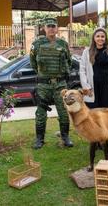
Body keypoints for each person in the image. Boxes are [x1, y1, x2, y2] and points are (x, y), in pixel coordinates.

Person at [30, 17, 73, 149]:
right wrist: (44, 76)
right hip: (43, 85)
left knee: (64, 112)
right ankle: (39, 139)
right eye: (49, 26)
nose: (51, 29)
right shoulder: (37, 44)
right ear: (44, 28)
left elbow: (69, 62)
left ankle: (65, 136)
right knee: (41, 113)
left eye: (53, 26)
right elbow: (33, 63)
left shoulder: (63, 44)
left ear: (57, 28)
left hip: (60, 85)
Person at [79, 28, 108, 109]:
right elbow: (82, 71)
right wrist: (86, 87)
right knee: (93, 113)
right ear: (94, 38)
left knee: (105, 112)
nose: (100, 38)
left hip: (106, 88)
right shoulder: (87, 52)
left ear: (105, 38)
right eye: (98, 36)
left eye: (102, 36)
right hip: (92, 87)